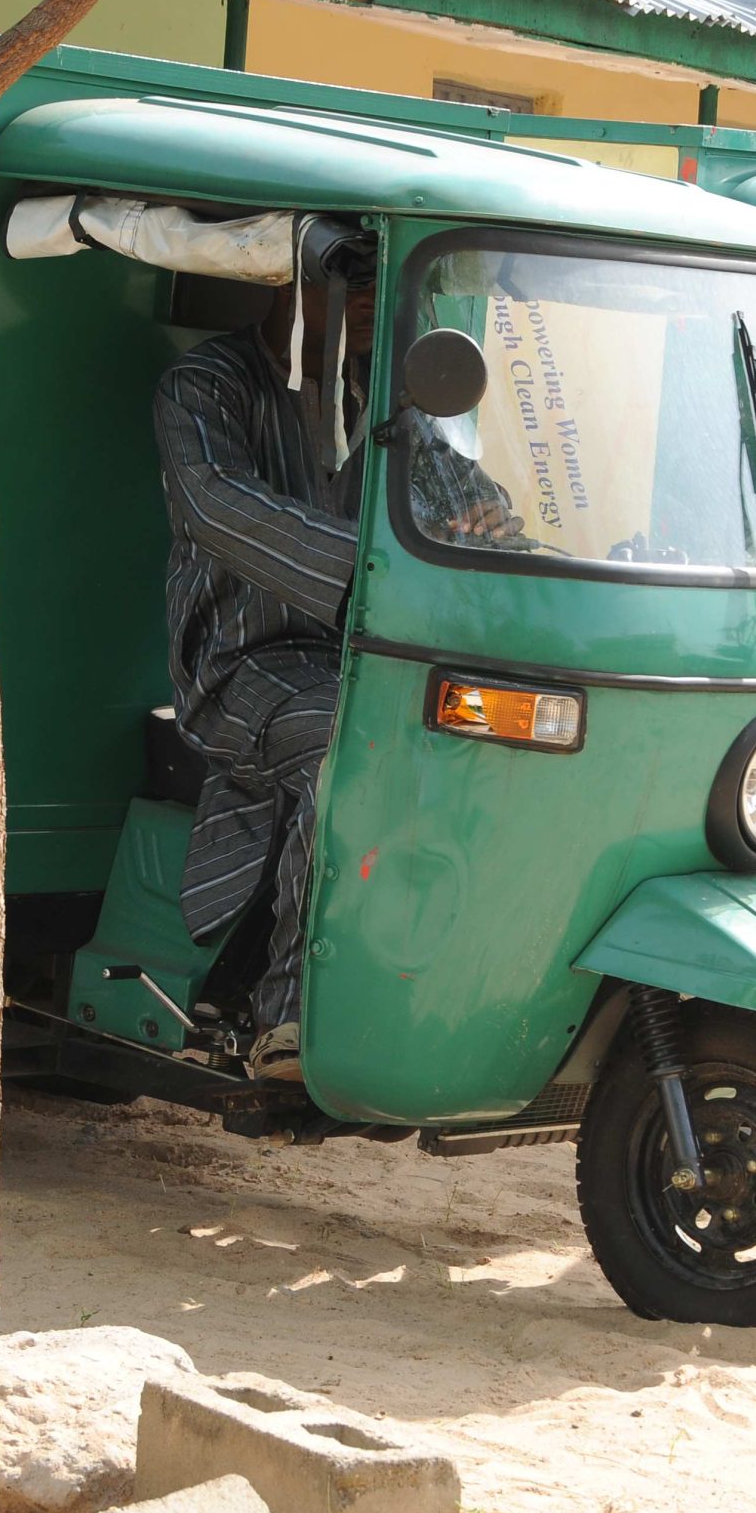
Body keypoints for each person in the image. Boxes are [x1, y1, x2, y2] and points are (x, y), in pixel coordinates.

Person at [151, 276, 511, 1080]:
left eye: (384, 276)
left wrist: (485, 524)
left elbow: (462, 494)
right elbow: (215, 506)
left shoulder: (392, 399)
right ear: (287, 276)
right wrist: (378, 569)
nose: (372, 294)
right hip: (243, 667)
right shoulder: (205, 383)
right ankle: (290, 1021)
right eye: (351, 272)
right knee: (350, 750)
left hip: (373, 664)